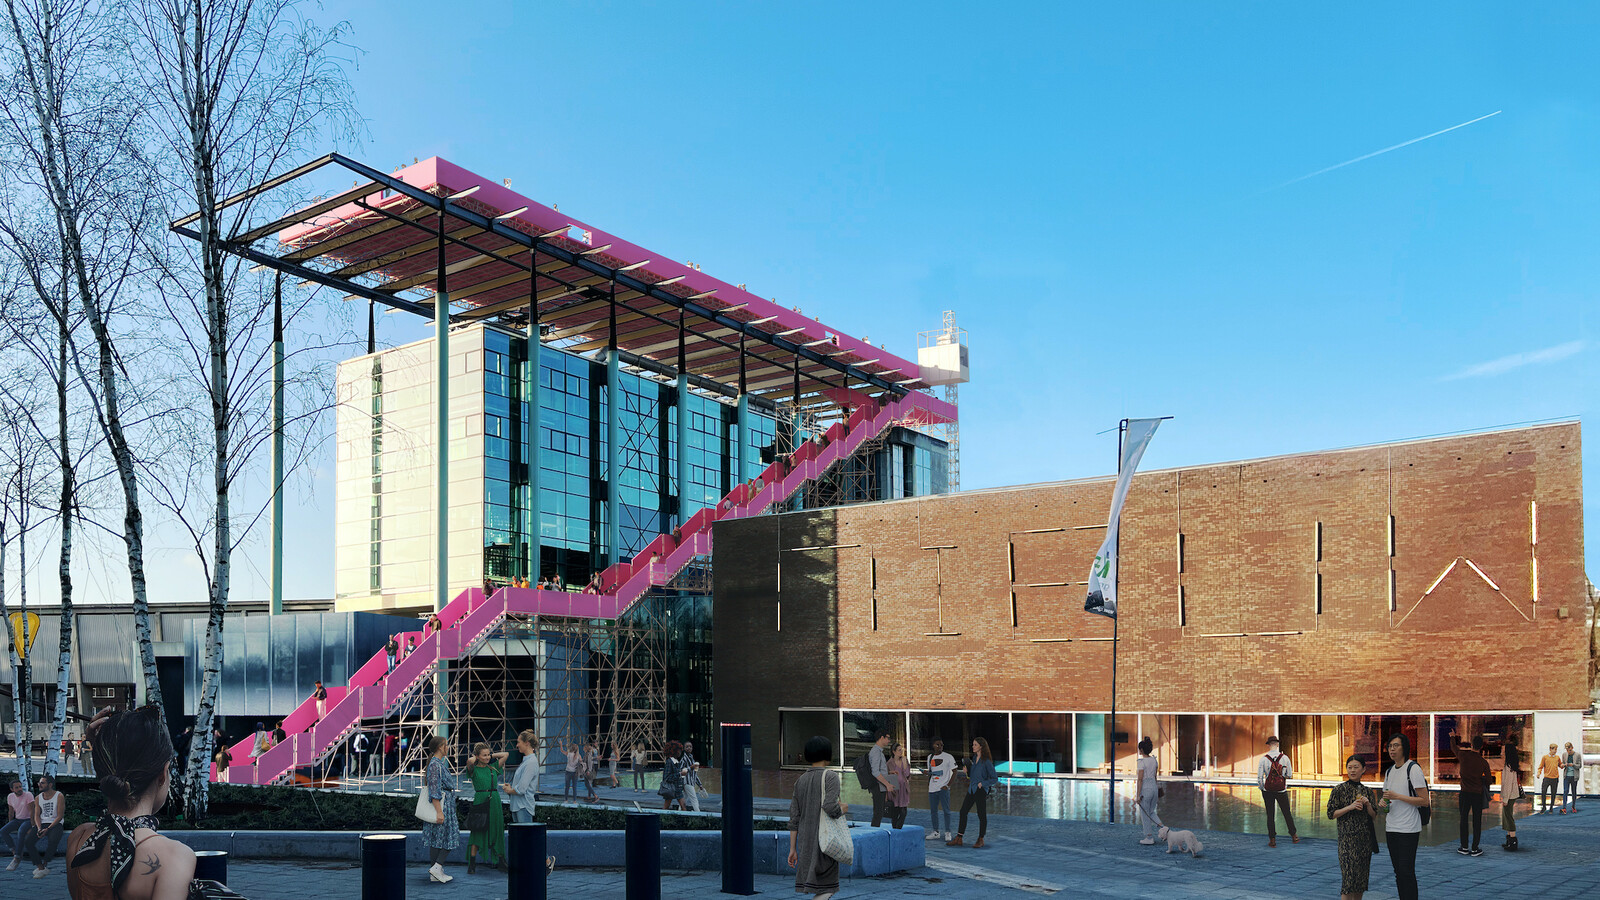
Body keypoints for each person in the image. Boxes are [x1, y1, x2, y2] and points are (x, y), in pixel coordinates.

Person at [65, 705, 244, 899]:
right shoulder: (174, 856)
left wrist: (101, 748)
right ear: (163, 774)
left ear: (102, 771)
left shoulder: (79, 837)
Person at [788, 735, 848, 900]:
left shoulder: (800, 780)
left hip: (805, 843)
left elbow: (794, 817)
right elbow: (830, 807)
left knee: (820, 887)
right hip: (824, 840)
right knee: (828, 886)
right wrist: (843, 809)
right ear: (827, 755)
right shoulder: (831, 777)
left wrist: (793, 849)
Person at [1381, 733, 1428, 900]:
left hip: (1408, 828)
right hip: (1391, 827)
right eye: (1390, 746)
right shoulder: (1389, 771)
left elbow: (1424, 801)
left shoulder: (1413, 769)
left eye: (1396, 746)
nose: (1392, 749)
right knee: (1398, 872)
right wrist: (1384, 804)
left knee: (1406, 871)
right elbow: (1387, 799)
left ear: (1404, 748)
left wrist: (1398, 796)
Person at [1328, 754, 1378, 900]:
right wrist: (1349, 807)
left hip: (1364, 842)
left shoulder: (1367, 791)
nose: (1353, 770)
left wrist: (1368, 804)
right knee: (1348, 881)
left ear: (1363, 769)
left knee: (1361, 881)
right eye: (1350, 767)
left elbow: (1373, 816)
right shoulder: (1339, 789)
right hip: (1347, 841)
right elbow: (1331, 814)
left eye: (1356, 767)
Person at [421, 735, 460, 883]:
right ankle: (437, 867)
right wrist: (439, 811)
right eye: (446, 745)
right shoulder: (436, 765)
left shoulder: (436, 764)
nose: (448, 747)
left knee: (437, 838)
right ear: (440, 747)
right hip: (443, 806)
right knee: (450, 837)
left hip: (444, 805)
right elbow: (434, 789)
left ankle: (435, 871)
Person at [465, 742, 508, 873]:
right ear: (477, 756)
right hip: (481, 801)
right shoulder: (473, 769)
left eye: (488, 754)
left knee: (497, 830)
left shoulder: (493, 767)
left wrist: (489, 754)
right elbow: (469, 761)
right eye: (484, 755)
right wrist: (478, 757)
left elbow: (505, 755)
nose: (487, 757)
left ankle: (501, 861)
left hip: (494, 800)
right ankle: (472, 864)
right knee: (478, 831)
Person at [947, 737, 998, 848]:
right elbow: (972, 776)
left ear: (981, 746)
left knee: (981, 814)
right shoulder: (974, 758)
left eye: (975, 744)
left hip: (980, 790)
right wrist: (967, 772)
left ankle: (981, 839)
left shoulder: (987, 762)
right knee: (963, 811)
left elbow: (994, 779)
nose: (973, 746)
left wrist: (983, 784)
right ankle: (959, 838)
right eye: (973, 744)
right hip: (971, 789)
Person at [1451, 731, 1490, 855]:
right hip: (1477, 794)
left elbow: (1454, 748)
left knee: (1463, 819)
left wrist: (1452, 737)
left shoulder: (1463, 755)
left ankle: (1464, 847)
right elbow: (1489, 780)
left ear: (1471, 745)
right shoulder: (1483, 762)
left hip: (1464, 793)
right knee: (1477, 821)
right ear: (1481, 747)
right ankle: (1474, 848)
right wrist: (1481, 780)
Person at [1257, 735, 1299, 847]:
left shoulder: (1263, 759)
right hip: (1281, 790)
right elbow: (1289, 775)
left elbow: (1260, 778)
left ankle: (1272, 840)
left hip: (1268, 790)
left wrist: (1263, 788)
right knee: (1286, 813)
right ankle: (1294, 836)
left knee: (1270, 815)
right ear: (1277, 744)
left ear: (1269, 745)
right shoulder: (1285, 758)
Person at [21, 774, 64, 878]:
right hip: (42, 823)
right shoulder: (38, 798)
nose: (39, 784)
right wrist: (39, 828)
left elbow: (60, 816)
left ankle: (45, 863)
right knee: (28, 841)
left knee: (53, 839)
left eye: (42, 783)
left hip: (55, 823)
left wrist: (48, 829)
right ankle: (40, 867)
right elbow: (36, 815)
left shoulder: (59, 796)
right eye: (39, 782)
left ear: (50, 785)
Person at [503, 730, 541, 824]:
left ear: (527, 743)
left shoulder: (531, 762)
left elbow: (522, 789)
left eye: (519, 742)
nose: (517, 745)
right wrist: (510, 789)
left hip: (523, 807)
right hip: (518, 806)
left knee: (524, 837)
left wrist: (509, 790)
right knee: (520, 837)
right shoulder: (526, 761)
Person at [1135, 736, 1163, 845]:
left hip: (1145, 789)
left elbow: (1140, 779)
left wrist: (1137, 795)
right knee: (1151, 812)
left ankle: (1149, 837)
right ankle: (1164, 829)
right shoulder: (1154, 760)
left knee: (1145, 813)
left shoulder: (1141, 762)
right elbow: (1155, 777)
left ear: (1141, 750)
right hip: (1154, 787)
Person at [926, 740, 956, 841]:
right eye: (937, 744)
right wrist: (927, 774)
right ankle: (936, 831)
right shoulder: (930, 757)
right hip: (932, 788)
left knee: (946, 811)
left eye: (942, 745)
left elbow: (954, 771)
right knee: (933, 811)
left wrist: (947, 785)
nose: (940, 746)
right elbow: (931, 771)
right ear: (933, 745)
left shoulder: (948, 757)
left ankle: (948, 832)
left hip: (943, 788)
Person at [2, 779, 33, 871]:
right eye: (17, 787)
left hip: (28, 820)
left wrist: (34, 825)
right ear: (12, 789)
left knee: (21, 831)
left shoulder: (28, 795)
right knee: (3, 831)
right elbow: (11, 812)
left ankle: (17, 858)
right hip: (18, 820)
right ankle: (14, 850)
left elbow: (33, 811)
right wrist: (10, 823)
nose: (20, 789)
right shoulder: (10, 797)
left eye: (20, 786)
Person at [1500, 732, 1524, 851]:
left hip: (1509, 795)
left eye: (1504, 751)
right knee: (1507, 816)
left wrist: (1505, 799)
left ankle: (1513, 842)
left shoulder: (1509, 767)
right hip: (1511, 794)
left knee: (1508, 817)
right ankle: (1509, 839)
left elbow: (1508, 785)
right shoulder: (1511, 765)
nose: (1502, 753)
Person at [866, 732, 892, 828]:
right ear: (882, 737)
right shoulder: (876, 752)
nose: (889, 741)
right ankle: (874, 831)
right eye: (887, 738)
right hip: (877, 785)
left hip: (879, 784)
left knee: (879, 811)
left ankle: (875, 829)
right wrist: (887, 784)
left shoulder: (878, 751)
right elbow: (875, 772)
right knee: (878, 812)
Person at [887, 742, 912, 829]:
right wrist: (890, 772)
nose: (901, 752)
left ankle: (898, 827)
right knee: (895, 811)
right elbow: (885, 776)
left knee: (903, 811)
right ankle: (895, 829)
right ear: (894, 752)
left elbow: (907, 774)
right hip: (894, 790)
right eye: (899, 750)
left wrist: (905, 764)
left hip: (903, 789)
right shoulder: (889, 763)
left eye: (902, 750)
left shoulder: (904, 760)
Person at [659, 741, 685, 810]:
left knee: (683, 806)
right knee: (667, 806)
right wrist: (680, 774)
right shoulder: (669, 762)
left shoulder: (676, 762)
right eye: (679, 750)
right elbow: (667, 777)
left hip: (677, 788)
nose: (680, 752)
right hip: (671, 788)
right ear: (674, 751)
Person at [1539, 743, 1561, 813]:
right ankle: (1544, 807)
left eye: (1556, 749)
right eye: (1554, 749)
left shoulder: (1557, 757)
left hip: (1555, 778)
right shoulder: (1545, 757)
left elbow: (1560, 765)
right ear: (1550, 749)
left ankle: (1551, 807)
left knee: (1553, 793)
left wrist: (1563, 765)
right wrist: (1538, 773)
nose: (1555, 751)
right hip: (1547, 778)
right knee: (1543, 791)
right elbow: (1541, 767)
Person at [681, 740, 702, 812]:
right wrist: (691, 767)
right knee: (694, 799)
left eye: (690, 747)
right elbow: (682, 771)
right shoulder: (684, 759)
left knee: (683, 800)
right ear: (684, 748)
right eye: (687, 747)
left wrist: (700, 784)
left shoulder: (692, 758)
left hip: (691, 782)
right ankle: (698, 814)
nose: (689, 748)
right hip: (687, 782)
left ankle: (679, 813)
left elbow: (694, 773)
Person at [1561, 741, 1581, 814]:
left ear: (1572, 748)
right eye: (1566, 750)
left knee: (1573, 791)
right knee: (1565, 791)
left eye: (1569, 750)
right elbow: (1562, 764)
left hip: (1574, 776)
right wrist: (1563, 765)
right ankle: (1564, 807)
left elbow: (1579, 766)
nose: (1568, 751)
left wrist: (1572, 765)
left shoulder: (1577, 755)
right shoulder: (1564, 755)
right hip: (1566, 776)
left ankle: (1573, 806)